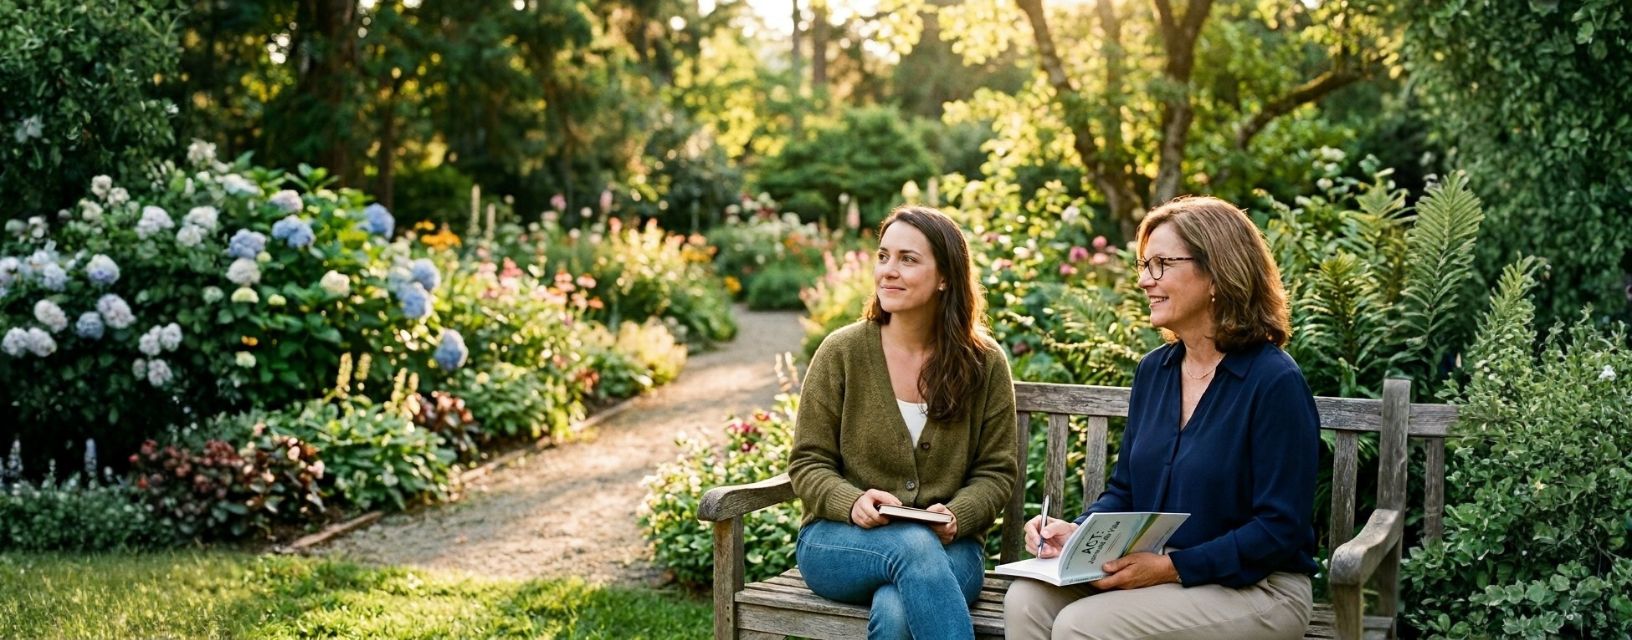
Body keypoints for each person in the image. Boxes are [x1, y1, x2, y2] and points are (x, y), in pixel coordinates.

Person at [1004, 196, 1320, 639]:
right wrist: (1076, 534)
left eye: (1160, 265)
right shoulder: (1155, 371)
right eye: (1143, 265)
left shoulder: (1273, 382)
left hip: (1258, 587)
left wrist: (1171, 567)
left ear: (1217, 273)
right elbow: (1126, 490)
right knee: (1026, 601)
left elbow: (1279, 530)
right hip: (1161, 571)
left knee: (1083, 626)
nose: (1144, 280)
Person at [789, 205, 1018, 640]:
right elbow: (808, 463)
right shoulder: (842, 352)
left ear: (945, 277)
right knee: (912, 545)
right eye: (883, 256)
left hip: (952, 549)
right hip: (839, 542)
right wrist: (851, 501)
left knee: (896, 610)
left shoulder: (983, 362)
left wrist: (957, 514)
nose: (888, 271)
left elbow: (996, 472)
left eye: (908, 259)